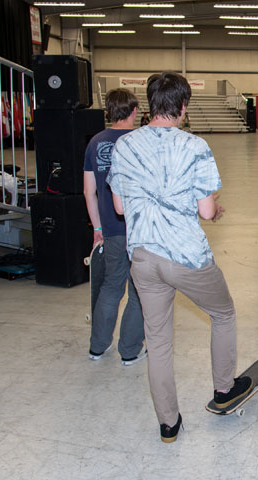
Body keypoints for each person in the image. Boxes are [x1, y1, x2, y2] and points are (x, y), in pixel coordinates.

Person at [107, 72, 252, 443]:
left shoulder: (125, 145)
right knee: (223, 313)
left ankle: (168, 423)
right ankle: (224, 388)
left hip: (143, 256)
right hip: (185, 256)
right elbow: (205, 211)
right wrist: (215, 208)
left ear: (150, 103)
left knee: (157, 341)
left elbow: (120, 207)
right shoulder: (195, 146)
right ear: (183, 106)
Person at [82, 88, 146, 366]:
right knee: (139, 292)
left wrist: (98, 228)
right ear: (134, 111)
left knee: (110, 286)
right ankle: (129, 350)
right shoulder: (141, 141)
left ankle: (97, 347)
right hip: (140, 229)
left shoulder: (95, 142)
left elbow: (89, 191)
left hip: (110, 227)